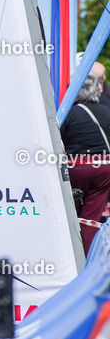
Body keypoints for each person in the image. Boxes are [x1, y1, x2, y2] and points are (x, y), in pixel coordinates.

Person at [61, 73, 110, 253]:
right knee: (92, 218)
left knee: (72, 214)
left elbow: (58, 140)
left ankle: (72, 254)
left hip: (77, 166)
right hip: (105, 167)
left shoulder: (69, 112)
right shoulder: (107, 110)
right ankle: (88, 258)